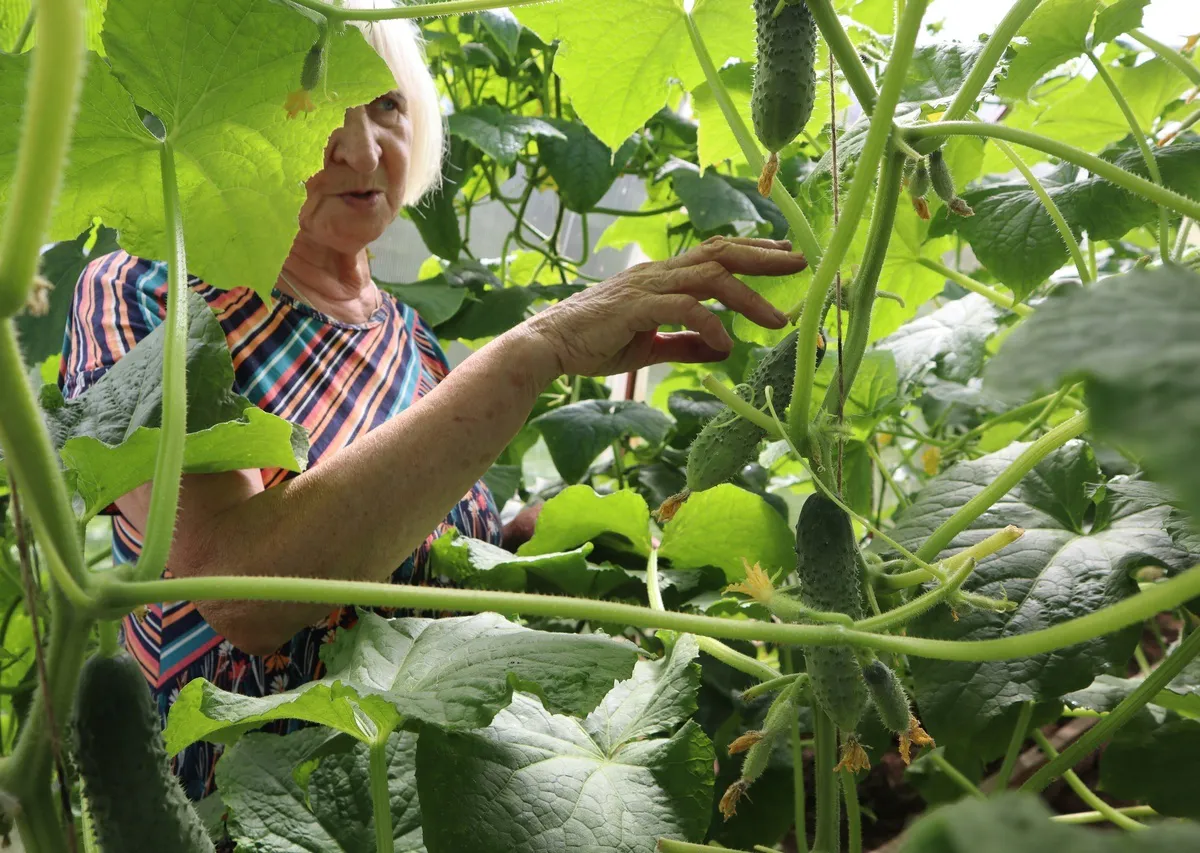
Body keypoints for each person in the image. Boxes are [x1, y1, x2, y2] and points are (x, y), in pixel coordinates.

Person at [58, 5, 807, 799]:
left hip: (432, 806)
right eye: (314, 103)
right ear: (234, 123)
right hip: (245, 812)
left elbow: (416, 563)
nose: (361, 148)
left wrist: (543, 536)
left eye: (385, 103)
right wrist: (535, 350)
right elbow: (241, 592)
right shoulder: (150, 292)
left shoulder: (411, 341)